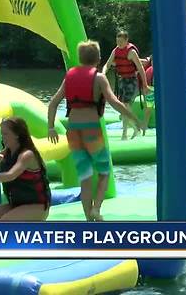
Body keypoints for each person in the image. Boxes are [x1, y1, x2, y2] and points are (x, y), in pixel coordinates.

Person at [47, 40, 146, 221]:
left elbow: (53, 103)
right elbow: (115, 103)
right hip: (92, 130)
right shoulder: (99, 78)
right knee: (104, 172)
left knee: (84, 178)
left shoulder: (69, 76)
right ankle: (97, 209)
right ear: (99, 59)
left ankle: (88, 219)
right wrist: (135, 120)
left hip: (74, 131)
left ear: (79, 58)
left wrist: (51, 127)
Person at [102, 31, 148, 140]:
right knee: (122, 108)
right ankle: (135, 128)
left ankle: (125, 134)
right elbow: (107, 64)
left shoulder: (131, 52)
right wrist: (103, 73)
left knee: (125, 105)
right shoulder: (116, 51)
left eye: (121, 41)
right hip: (122, 81)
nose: (119, 43)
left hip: (132, 81)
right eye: (117, 41)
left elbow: (141, 69)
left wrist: (145, 85)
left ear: (126, 41)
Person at [142, 55, 155, 131]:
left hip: (159, 91)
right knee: (148, 110)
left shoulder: (164, 71)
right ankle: (144, 127)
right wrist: (145, 95)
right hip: (151, 90)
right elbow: (145, 86)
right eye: (152, 61)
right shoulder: (149, 71)